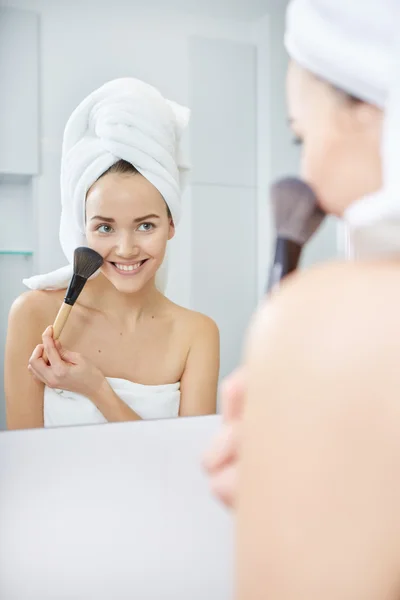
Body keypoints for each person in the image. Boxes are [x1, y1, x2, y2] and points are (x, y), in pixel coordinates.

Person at [205, 0, 400, 598]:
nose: (306, 174)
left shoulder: (333, 323)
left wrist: (291, 508)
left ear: (372, 104)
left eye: (301, 135)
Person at [5, 78, 219, 430]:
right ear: (83, 230)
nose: (126, 248)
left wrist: (96, 389)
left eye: (146, 226)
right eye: (105, 227)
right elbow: (23, 459)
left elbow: (186, 469)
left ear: (171, 225)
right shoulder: (34, 315)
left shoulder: (197, 335)